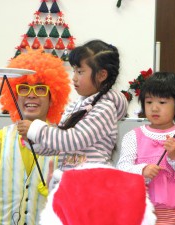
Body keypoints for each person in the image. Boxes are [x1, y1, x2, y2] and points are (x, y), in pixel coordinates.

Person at [0, 48, 71, 225]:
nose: (32, 95)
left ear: (53, 98)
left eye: (41, 89)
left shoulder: (64, 142)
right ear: (14, 95)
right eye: (24, 88)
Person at [17, 40, 128, 173]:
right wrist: (32, 140)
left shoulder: (105, 109)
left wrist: (36, 130)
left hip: (92, 183)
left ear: (101, 75)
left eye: (80, 72)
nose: (74, 78)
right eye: (74, 71)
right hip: (71, 182)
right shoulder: (75, 107)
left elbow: (73, 140)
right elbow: (57, 146)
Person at [116, 72, 175, 224]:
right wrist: (142, 170)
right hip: (140, 209)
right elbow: (122, 169)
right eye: (149, 102)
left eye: (162, 102)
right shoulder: (133, 136)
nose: (154, 108)